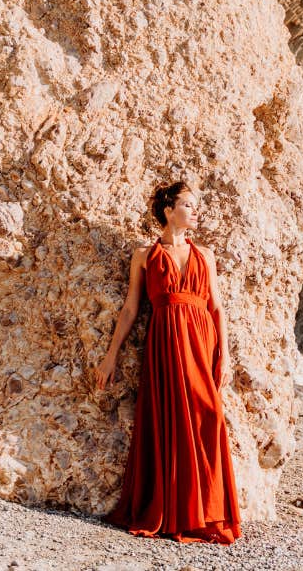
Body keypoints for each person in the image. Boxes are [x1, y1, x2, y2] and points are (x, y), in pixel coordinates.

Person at [93, 181, 241, 544]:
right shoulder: (144, 255)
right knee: (169, 422)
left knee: (207, 418)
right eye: (189, 205)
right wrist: (110, 356)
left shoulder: (205, 254)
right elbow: (131, 309)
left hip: (200, 339)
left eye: (196, 205)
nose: (196, 211)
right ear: (168, 210)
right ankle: (174, 512)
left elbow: (216, 307)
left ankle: (207, 510)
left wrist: (224, 355)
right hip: (163, 342)